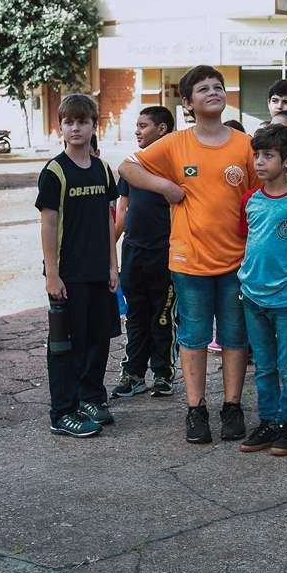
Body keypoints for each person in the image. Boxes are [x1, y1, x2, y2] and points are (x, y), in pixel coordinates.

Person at [118, 65, 257, 445]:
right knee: (193, 336)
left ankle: (232, 406)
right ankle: (196, 410)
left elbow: (258, 197)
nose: (213, 92)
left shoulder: (244, 145)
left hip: (237, 261)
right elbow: (127, 167)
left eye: (218, 86)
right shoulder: (175, 143)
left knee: (234, 336)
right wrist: (165, 186)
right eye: (203, 89)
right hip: (189, 260)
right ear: (188, 103)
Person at [39, 94, 121, 437]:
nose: (75, 128)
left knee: (98, 339)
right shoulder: (55, 171)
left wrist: (113, 265)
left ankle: (91, 397)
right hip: (68, 275)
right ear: (61, 127)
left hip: (99, 272)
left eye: (82, 122)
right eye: (69, 122)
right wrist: (53, 274)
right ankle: (63, 412)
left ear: (93, 126)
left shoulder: (102, 169)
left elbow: (108, 219)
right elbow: (48, 224)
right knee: (66, 345)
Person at [237, 123, 287, 456]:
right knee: (264, 366)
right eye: (257, 155)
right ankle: (268, 421)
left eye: (268, 155)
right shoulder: (249, 200)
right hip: (252, 297)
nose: (259, 162)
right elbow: (246, 241)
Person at [111, 105, 176, 400]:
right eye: (136, 126)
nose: (137, 131)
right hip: (133, 252)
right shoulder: (131, 165)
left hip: (165, 253)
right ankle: (133, 374)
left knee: (162, 317)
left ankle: (163, 374)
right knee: (136, 316)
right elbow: (122, 210)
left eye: (143, 126)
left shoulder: (174, 165)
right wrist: (109, 248)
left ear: (162, 129)